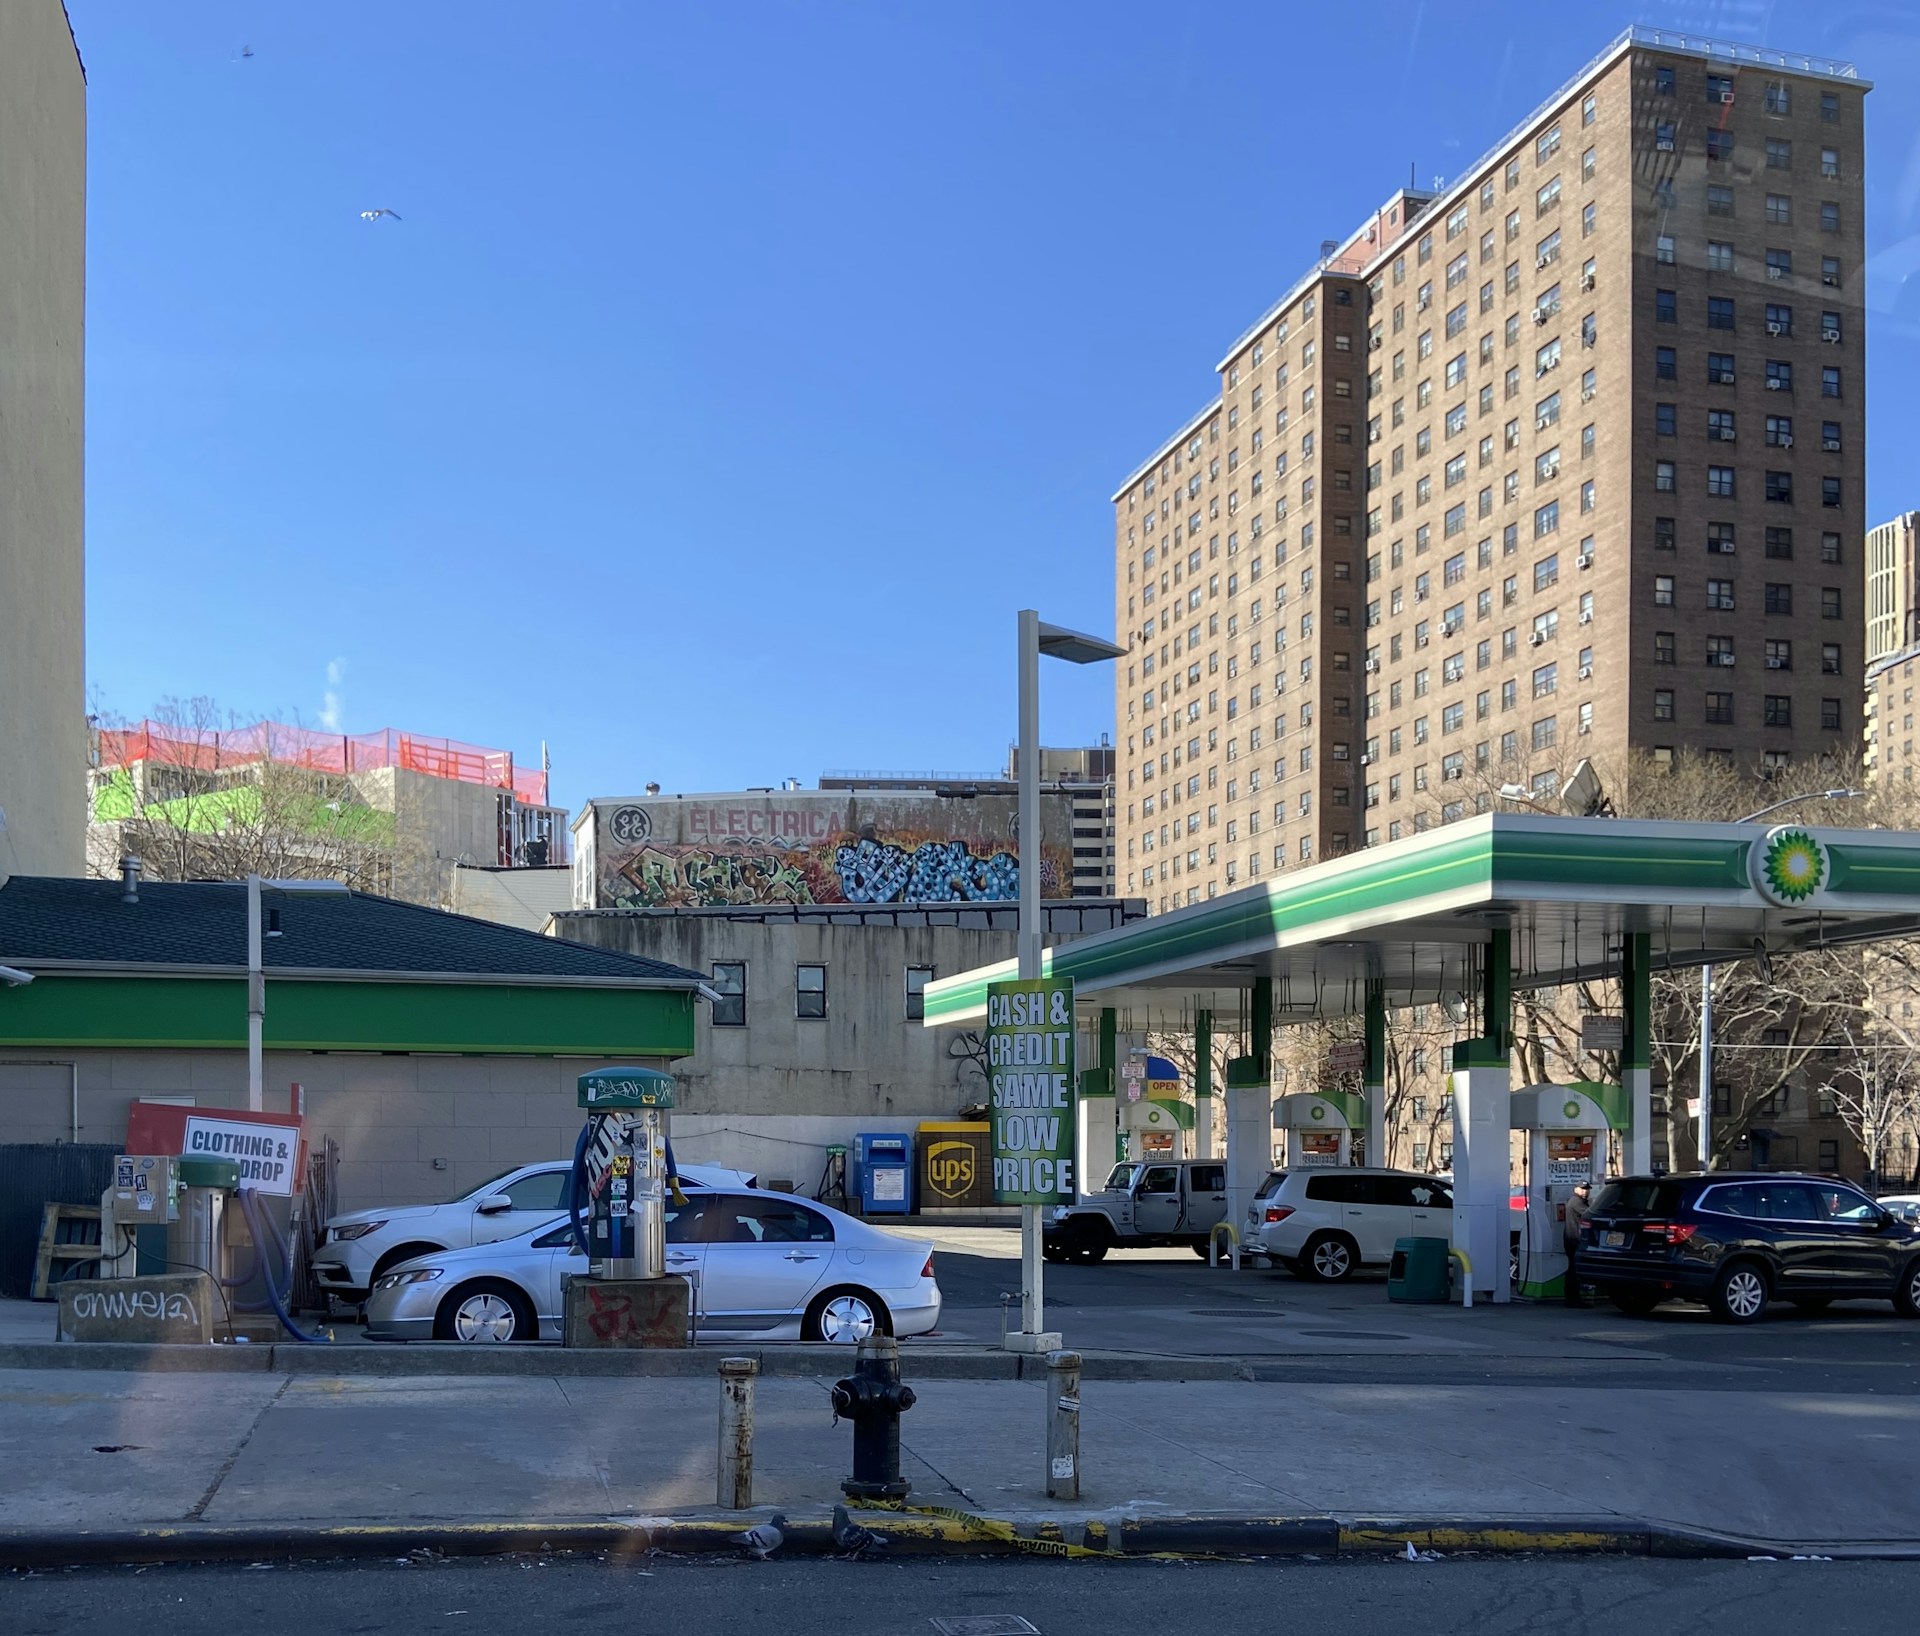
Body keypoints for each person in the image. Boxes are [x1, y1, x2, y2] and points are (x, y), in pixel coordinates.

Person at [1562, 1180, 1593, 1307]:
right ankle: (1573, 1298)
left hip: (1572, 1239)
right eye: (1582, 1189)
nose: (1585, 1191)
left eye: (1587, 1189)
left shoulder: (1577, 1201)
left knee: (1573, 1269)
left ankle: (1573, 1298)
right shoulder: (1576, 1202)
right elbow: (1591, 1214)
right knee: (1574, 1270)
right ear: (1575, 1189)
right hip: (1574, 1239)